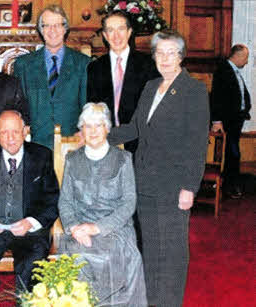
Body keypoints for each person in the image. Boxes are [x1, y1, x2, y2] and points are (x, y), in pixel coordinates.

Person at [107, 30, 210, 307]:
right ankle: (152, 300)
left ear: (181, 56)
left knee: (172, 251)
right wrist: (101, 135)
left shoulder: (194, 90)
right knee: (151, 248)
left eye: (171, 53)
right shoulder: (151, 86)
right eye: (159, 53)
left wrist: (190, 187)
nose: (164, 59)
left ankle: (169, 302)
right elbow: (136, 128)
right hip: (144, 182)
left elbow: (198, 142)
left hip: (174, 185)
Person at [0, 110, 59, 307]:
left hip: (29, 233)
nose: (10, 138)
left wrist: (31, 222)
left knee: (31, 264)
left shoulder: (42, 156)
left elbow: (52, 199)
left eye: (15, 132)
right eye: (4, 133)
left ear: (25, 132)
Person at [58, 103, 147, 306]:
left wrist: (98, 227)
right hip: (79, 227)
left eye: (99, 125)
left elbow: (128, 203)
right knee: (77, 255)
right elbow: (65, 202)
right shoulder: (72, 159)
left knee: (109, 256)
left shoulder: (123, 159)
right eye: (88, 126)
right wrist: (74, 228)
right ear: (82, 130)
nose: (93, 131)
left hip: (115, 229)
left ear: (107, 128)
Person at [14, 4, 90, 149]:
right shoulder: (23, 65)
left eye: (57, 25)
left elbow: (87, 104)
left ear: (65, 28)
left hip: (73, 143)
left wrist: (84, 130)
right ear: (41, 30)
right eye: (47, 25)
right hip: (35, 144)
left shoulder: (83, 64)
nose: (52, 30)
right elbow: (18, 106)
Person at [87, 10, 159, 152]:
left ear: (129, 32)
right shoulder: (95, 67)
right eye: (111, 30)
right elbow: (92, 107)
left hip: (141, 144)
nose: (116, 36)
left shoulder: (148, 65)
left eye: (121, 29)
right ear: (105, 36)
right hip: (106, 144)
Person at [210, 44, 251, 199]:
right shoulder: (223, 71)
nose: (246, 62)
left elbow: (240, 95)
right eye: (245, 58)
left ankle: (230, 184)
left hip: (236, 119)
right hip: (227, 120)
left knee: (233, 153)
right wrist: (217, 120)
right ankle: (230, 185)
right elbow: (216, 98)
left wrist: (244, 110)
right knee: (232, 153)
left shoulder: (233, 71)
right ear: (238, 55)